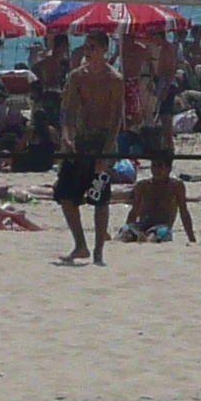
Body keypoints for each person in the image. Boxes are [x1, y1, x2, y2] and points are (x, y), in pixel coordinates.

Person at [55, 37, 121, 265]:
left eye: (93, 46)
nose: (88, 49)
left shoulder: (114, 79)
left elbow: (116, 121)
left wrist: (106, 153)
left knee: (100, 198)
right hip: (80, 140)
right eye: (86, 46)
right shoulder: (76, 76)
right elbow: (68, 111)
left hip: (102, 141)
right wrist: (66, 136)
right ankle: (80, 245)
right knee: (65, 195)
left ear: (104, 50)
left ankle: (99, 250)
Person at [115, 149, 193, 243]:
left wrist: (191, 237)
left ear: (168, 169)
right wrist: (129, 226)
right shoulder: (143, 185)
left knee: (155, 236)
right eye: (154, 166)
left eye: (160, 166)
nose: (156, 170)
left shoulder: (176, 186)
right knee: (125, 232)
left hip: (161, 226)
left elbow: (184, 212)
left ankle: (145, 239)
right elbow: (134, 211)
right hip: (142, 224)